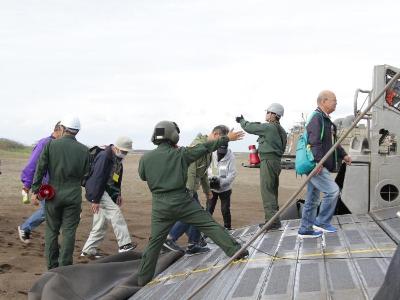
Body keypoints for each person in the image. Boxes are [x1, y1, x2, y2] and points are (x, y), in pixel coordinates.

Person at [137, 120, 248, 286]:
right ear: (173, 136)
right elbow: (204, 148)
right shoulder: (181, 153)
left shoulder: (145, 158)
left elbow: (143, 176)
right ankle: (235, 250)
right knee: (209, 225)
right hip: (182, 200)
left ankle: (143, 280)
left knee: (154, 243)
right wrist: (227, 139)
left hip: (160, 206)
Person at [31, 115, 89, 269]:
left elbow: (40, 168)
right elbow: (87, 173)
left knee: (52, 231)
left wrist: (35, 190)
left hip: (53, 193)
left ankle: (52, 266)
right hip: (74, 195)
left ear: (62, 128)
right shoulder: (84, 150)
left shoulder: (51, 145)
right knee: (69, 232)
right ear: (77, 131)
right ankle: (65, 267)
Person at [163, 125, 230, 255]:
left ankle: (193, 244)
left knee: (197, 214)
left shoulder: (208, 150)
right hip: (185, 187)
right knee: (191, 214)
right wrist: (189, 190)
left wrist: (207, 191)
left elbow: (203, 173)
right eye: (221, 140)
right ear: (216, 135)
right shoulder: (197, 146)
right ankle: (170, 238)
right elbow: (191, 170)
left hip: (191, 187)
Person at [298, 90, 352, 238]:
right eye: (333, 100)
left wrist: (344, 155)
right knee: (333, 191)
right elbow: (313, 141)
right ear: (323, 101)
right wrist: (317, 161)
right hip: (316, 164)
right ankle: (321, 222)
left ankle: (305, 228)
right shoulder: (317, 118)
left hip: (318, 163)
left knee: (312, 198)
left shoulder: (325, 119)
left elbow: (333, 143)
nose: (336, 102)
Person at [81, 136, 137, 258]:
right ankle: (124, 245)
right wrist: (95, 200)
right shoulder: (105, 157)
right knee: (115, 213)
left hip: (101, 192)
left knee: (100, 223)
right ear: (116, 148)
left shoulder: (115, 158)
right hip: (98, 192)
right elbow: (97, 178)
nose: (124, 154)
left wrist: (118, 194)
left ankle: (88, 250)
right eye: (123, 151)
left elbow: (116, 178)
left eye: (126, 152)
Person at [236, 103, 287, 229]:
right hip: (274, 162)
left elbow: (251, 128)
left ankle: (272, 222)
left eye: (268, 112)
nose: (267, 114)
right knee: (272, 191)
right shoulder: (281, 131)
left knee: (267, 192)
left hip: (268, 162)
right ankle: (274, 219)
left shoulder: (269, 128)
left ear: (274, 115)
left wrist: (242, 121)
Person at [18, 121, 62, 244]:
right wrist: (27, 184)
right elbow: (32, 164)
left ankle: (49, 237)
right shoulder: (44, 143)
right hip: (44, 184)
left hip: (54, 185)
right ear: (58, 129)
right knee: (47, 210)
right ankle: (25, 228)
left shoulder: (59, 145)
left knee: (52, 210)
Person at [206, 143, 237, 230]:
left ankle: (228, 227)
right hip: (211, 188)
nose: (221, 154)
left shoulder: (231, 157)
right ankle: (206, 228)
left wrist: (221, 182)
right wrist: (210, 179)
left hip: (225, 189)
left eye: (223, 152)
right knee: (209, 209)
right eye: (220, 152)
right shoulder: (211, 154)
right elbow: (207, 168)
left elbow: (232, 174)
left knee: (225, 209)